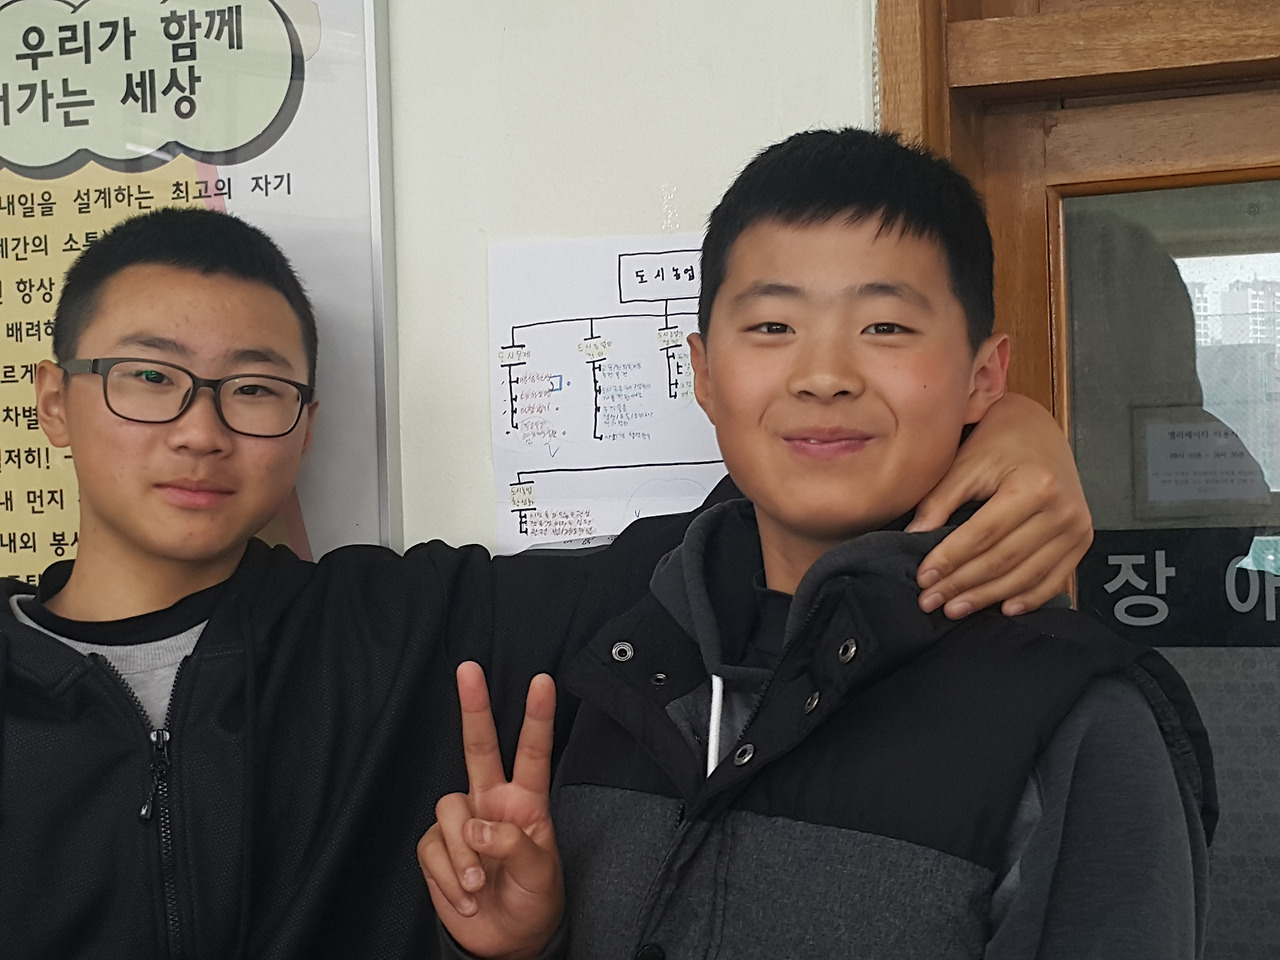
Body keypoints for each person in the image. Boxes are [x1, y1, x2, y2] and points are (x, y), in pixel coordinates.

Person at [0, 206, 1089, 960]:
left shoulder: (403, 628)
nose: (199, 431)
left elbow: (752, 531)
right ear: (54, 402)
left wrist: (1006, 428)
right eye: (149, 378)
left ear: (305, 424)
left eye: (252, 388)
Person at [421, 130, 1216, 960]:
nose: (824, 374)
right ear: (703, 373)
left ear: (983, 376)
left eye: (885, 326)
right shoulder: (618, 646)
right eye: (773, 325)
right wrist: (526, 947)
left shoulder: (1078, 719)